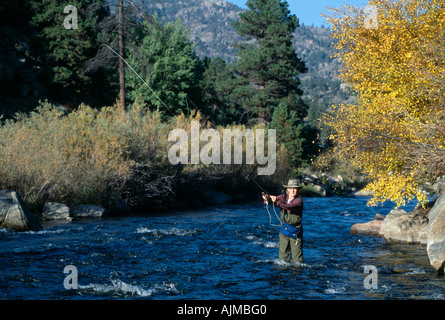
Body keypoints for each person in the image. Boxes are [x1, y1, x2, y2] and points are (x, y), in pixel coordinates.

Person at [262, 179, 304, 264]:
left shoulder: (299, 200)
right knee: (282, 259)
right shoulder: (282, 197)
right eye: (290, 188)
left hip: (295, 231)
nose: (292, 190)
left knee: (297, 260)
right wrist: (267, 199)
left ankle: (297, 274)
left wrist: (276, 201)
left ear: (298, 190)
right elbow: (272, 202)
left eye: (295, 188)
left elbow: (288, 206)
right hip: (284, 228)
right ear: (287, 189)